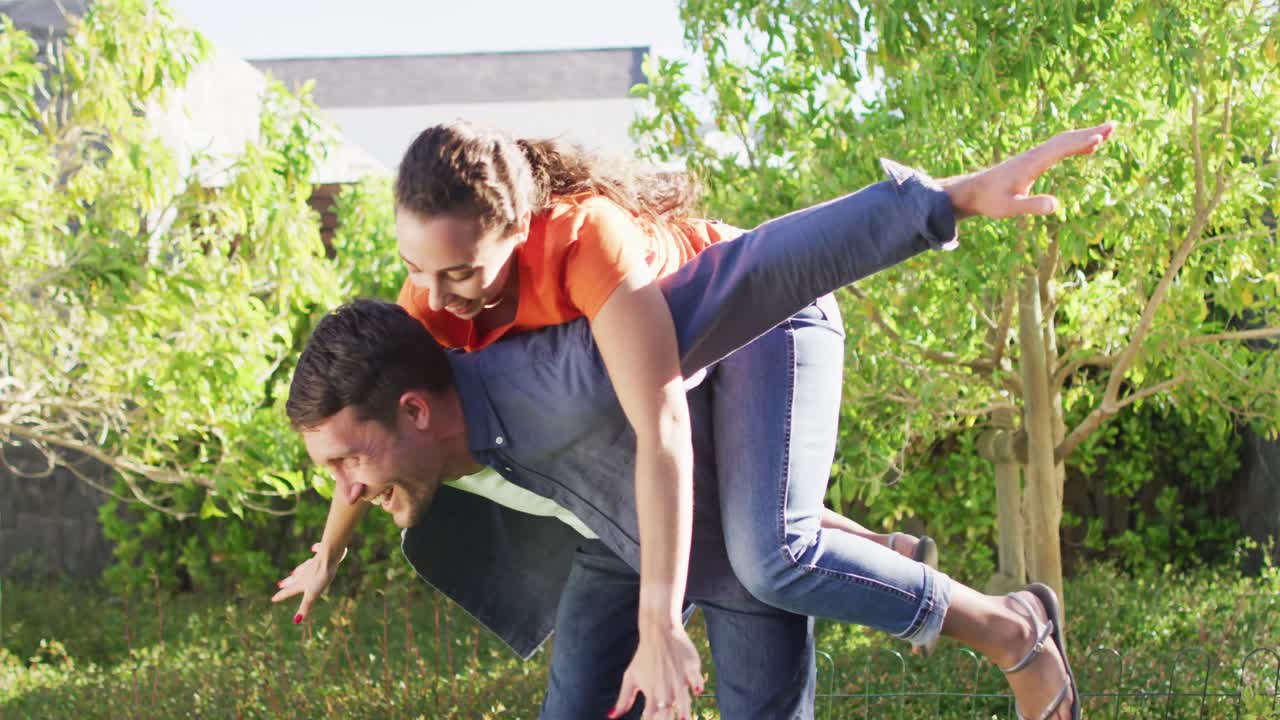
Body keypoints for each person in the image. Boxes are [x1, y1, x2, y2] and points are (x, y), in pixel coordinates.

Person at [274, 121, 1111, 720]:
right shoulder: (431, 311)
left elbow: (672, 408)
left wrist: (945, 202)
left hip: (763, 322)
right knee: (743, 531)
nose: (440, 294)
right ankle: (843, 540)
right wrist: (328, 549)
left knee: (771, 556)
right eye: (420, 271)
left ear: (518, 230)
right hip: (655, 427)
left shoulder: (586, 252)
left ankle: (1011, 629)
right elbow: (366, 432)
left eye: (459, 272)